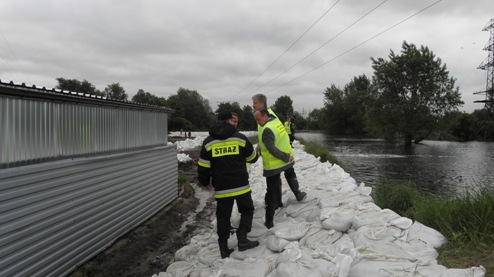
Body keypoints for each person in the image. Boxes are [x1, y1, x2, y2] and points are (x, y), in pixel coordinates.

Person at [197, 111, 260, 258]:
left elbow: (203, 166)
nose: (236, 124)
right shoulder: (240, 139)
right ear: (227, 121)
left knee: (223, 217)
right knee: (247, 210)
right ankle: (242, 239)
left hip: (222, 188)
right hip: (241, 185)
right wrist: (256, 153)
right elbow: (252, 158)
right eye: (234, 121)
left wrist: (204, 182)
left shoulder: (208, 142)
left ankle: (224, 249)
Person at [254, 107, 306, 229]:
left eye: (258, 119)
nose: (257, 122)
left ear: (265, 116)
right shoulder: (275, 120)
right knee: (288, 175)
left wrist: (285, 156)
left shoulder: (267, 128)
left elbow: (271, 148)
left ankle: (269, 221)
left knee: (271, 192)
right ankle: (294, 195)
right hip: (286, 158)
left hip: (275, 163)